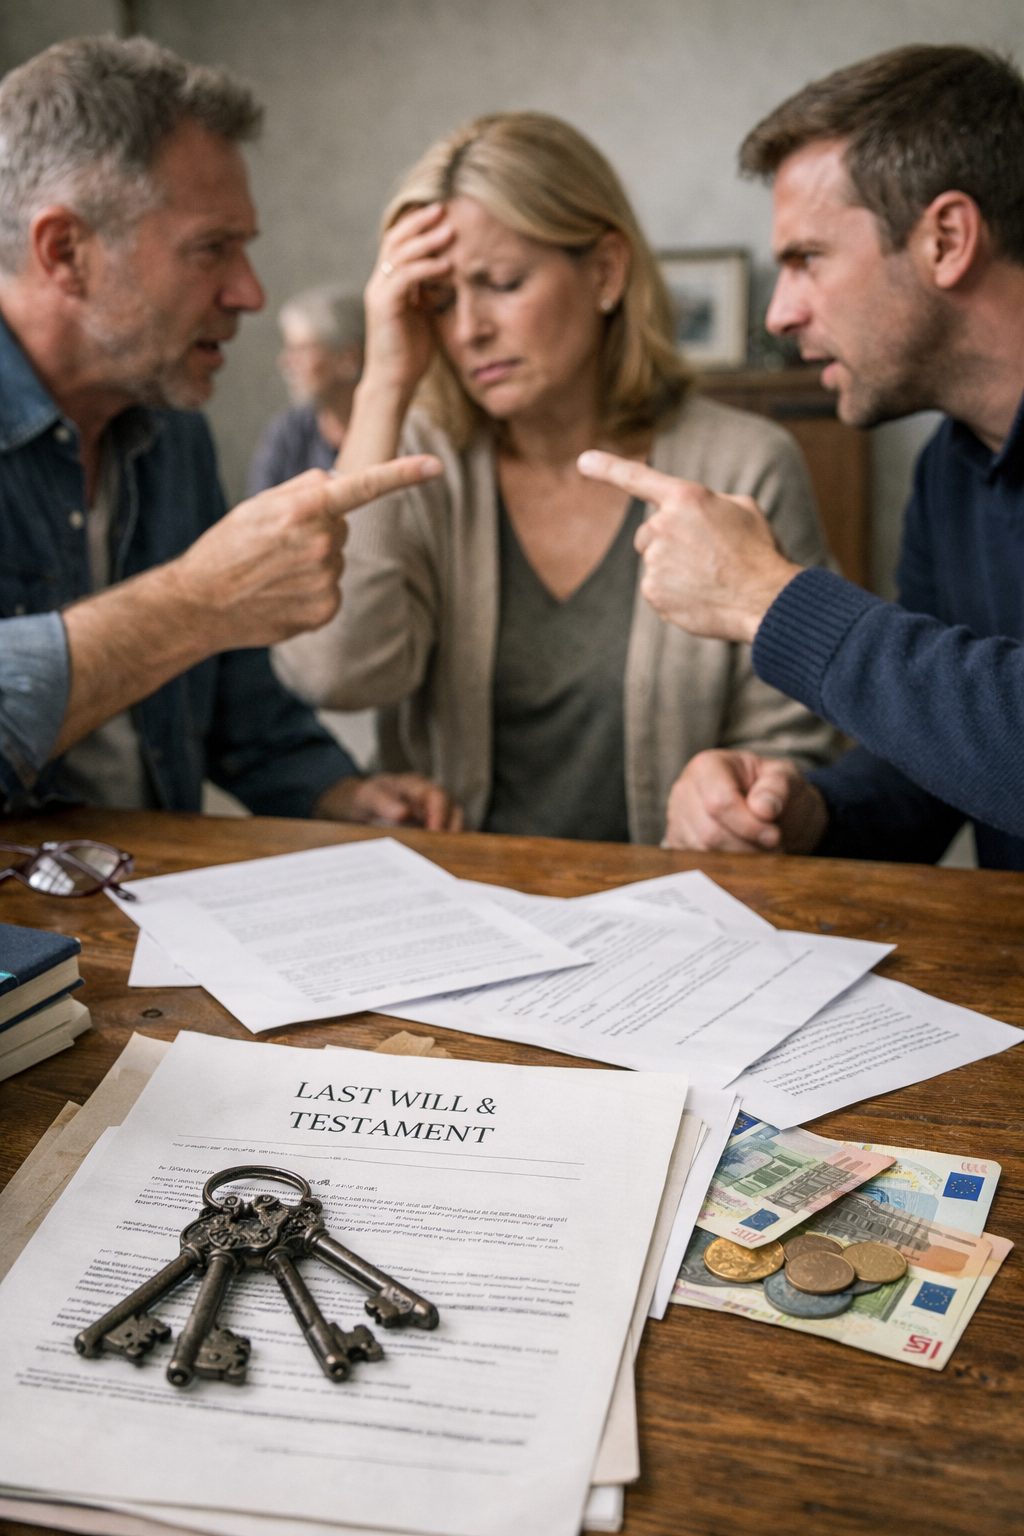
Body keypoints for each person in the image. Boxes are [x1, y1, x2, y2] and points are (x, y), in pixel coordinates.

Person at [274, 111, 838, 842]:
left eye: (502, 283)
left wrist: (745, 800)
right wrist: (383, 383)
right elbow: (336, 676)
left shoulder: (745, 464)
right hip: (458, 911)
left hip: (680, 917)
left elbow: (794, 747)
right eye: (441, 300)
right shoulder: (417, 461)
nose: (468, 328)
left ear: (605, 271)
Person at [578, 43, 1024, 871]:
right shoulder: (948, 467)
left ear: (948, 239)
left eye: (807, 259)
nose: (780, 313)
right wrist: (804, 810)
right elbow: (934, 777)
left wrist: (765, 596)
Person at [0, 34, 457, 831]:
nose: (249, 293)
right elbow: (201, 620)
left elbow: (236, 704)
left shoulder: (171, 431)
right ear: (65, 251)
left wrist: (337, 791)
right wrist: (198, 600)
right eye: (213, 249)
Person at [248, 284, 364, 493]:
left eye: (300, 350)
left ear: (348, 357)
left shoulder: (405, 432)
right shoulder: (288, 433)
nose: (286, 362)